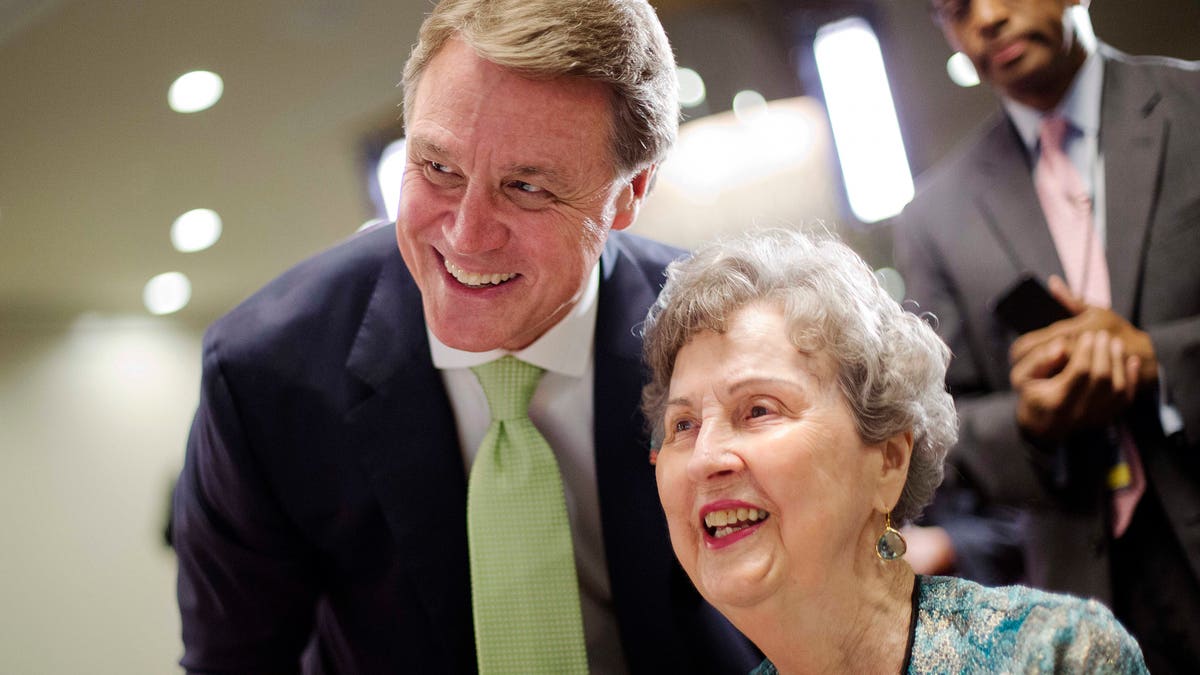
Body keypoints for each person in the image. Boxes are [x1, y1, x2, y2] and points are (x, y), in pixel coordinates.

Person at [170, 1, 760, 672]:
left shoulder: (728, 337)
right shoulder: (266, 375)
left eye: (528, 186)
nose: (465, 235)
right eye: (439, 169)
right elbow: (235, 662)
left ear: (631, 192)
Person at [642, 227, 1148, 674]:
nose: (706, 457)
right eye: (682, 424)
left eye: (758, 410)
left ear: (888, 460)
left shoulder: (1055, 657)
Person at [893, 0, 1200, 671]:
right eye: (955, 8)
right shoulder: (935, 216)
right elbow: (944, 425)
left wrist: (1155, 358)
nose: (987, 19)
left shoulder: (1192, 106)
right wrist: (1029, 421)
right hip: (1083, 594)